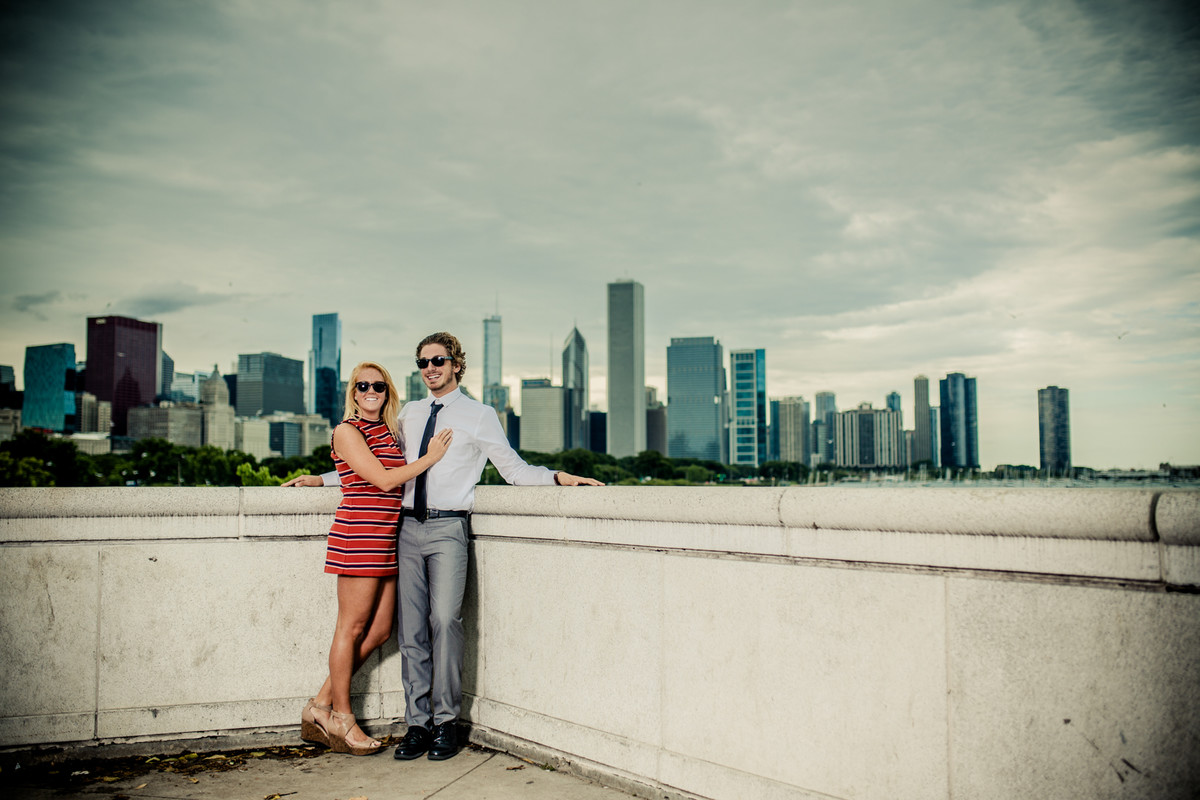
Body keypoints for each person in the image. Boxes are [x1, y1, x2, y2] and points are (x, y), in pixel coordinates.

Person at [287, 332, 603, 761]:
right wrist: (320, 479)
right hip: (401, 530)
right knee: (410, 631)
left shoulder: (480, 414)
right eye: (423, 362)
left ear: (456, 363)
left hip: (448, 528)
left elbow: (513, 469)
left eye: (438, 360)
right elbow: (373, 468)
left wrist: (558, 477)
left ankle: (446, 723)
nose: (430, 368)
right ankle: (416, 724)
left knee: (444, 621)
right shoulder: (407, 414)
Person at [295, 361, 453, 756]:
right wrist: (431, 457)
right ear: (353, 391)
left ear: (387, 392)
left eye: (379, 386)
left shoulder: (386, 429)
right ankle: (342, 719)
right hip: (358, 537)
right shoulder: (345, 430)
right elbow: (382, 479)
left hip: (387, 537)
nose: (371, 391)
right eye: (363, 385)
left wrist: (322, 478)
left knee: (381, 630)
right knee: (350, 628)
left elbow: (363, 469)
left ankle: (318, 705)